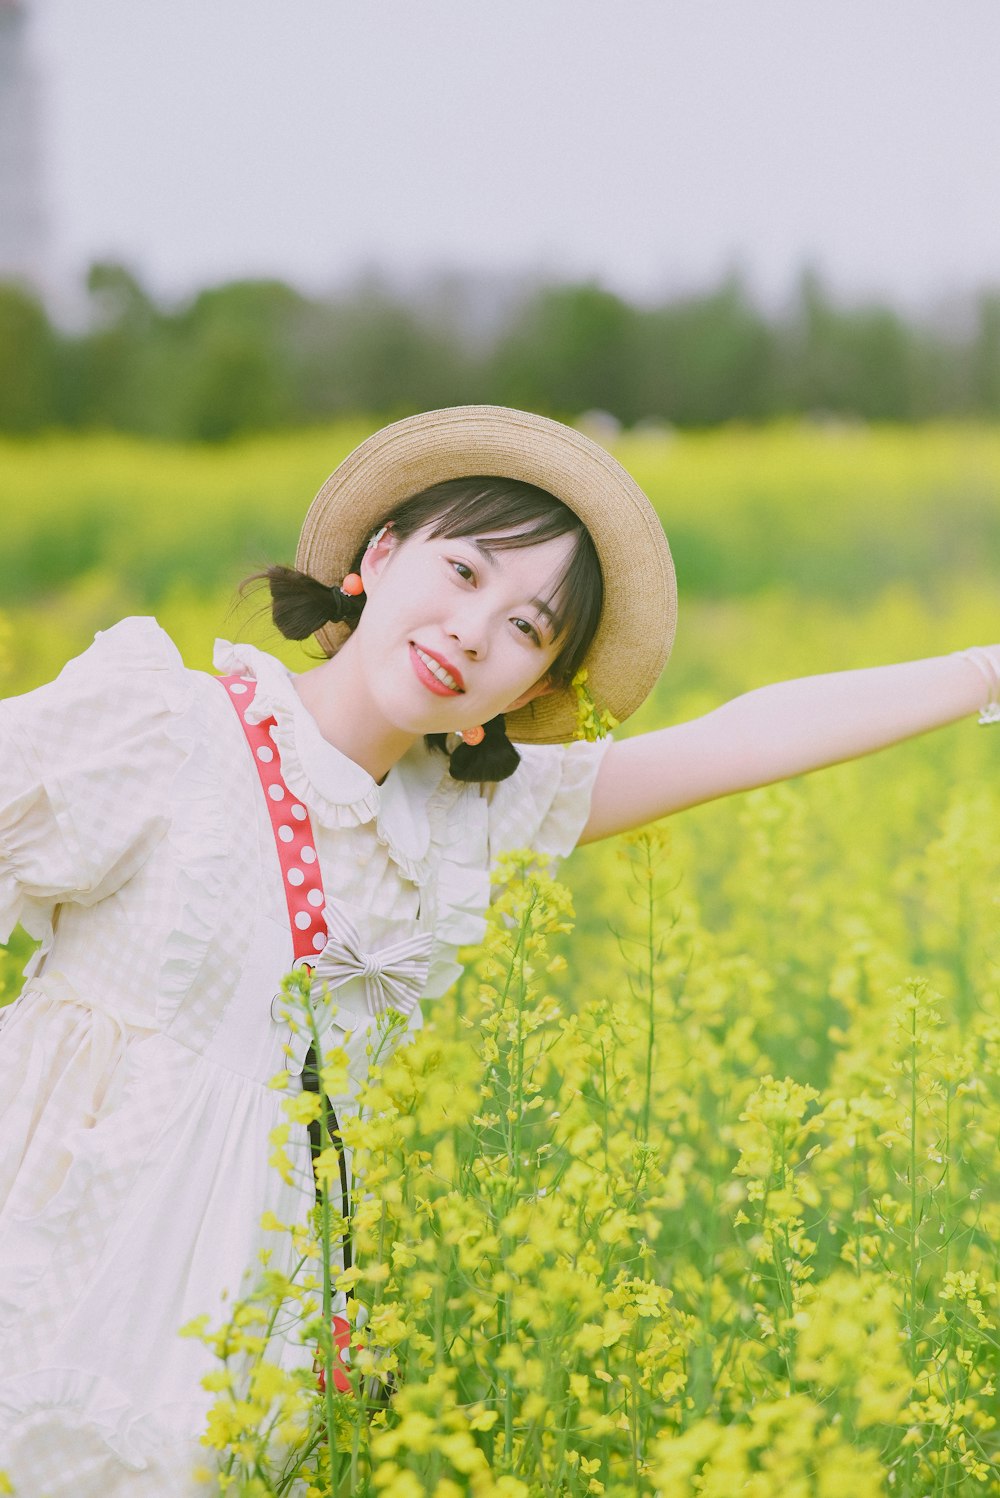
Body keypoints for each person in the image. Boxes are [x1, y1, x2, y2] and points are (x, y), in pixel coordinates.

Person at [0, 405, 996, 1497]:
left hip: (268, 1318)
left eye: (527, 629)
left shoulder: (470, 821)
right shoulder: (163, 725)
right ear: (377, 558)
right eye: (463, 571)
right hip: (70, 1256)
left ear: (525, 694)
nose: (474, 631)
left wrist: (981, 670)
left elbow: (739, 741)